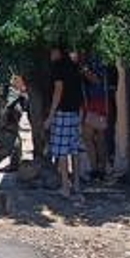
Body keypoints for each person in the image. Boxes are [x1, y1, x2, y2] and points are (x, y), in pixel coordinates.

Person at [44, 47, 84, 198]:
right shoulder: (74, 66)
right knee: (74, 149)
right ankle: (77, 185)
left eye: (52, 51)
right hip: (75, 112)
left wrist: (51, 115)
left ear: (58, 52)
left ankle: (65, 187)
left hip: (63, 113)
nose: (50, 54)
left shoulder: (58, 67)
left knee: (61, 151)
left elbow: (58, 90)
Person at [0, 74, 28, 186]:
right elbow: (1, 115)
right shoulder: (7, 95)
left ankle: (14, 166)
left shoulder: (15, 95)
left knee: (16, 144)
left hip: (5, 126)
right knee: (8, 148)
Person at [80, 52, 110, 180]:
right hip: (92, 102)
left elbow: (97, 80)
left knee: (94, 137)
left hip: (97, 102)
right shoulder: (95, 56)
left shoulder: (96, 58)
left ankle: (99, 169)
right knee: (92, 137)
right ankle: (97, 169)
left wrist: (84, 69)